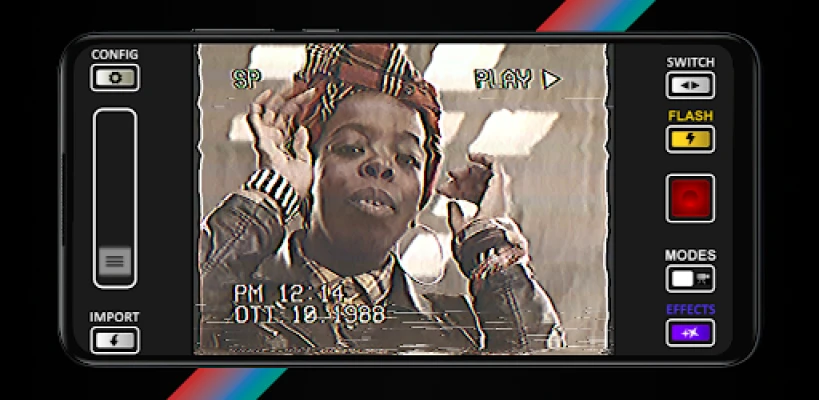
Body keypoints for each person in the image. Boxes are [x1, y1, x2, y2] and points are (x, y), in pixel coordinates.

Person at [197, 43, 566, 354]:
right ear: (309, 174)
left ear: (420, 199)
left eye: (407, 158)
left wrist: (491, 247)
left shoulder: (461, 331)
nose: (381, 165)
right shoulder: (234, 302)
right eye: (351, 148)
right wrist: (273, 189)